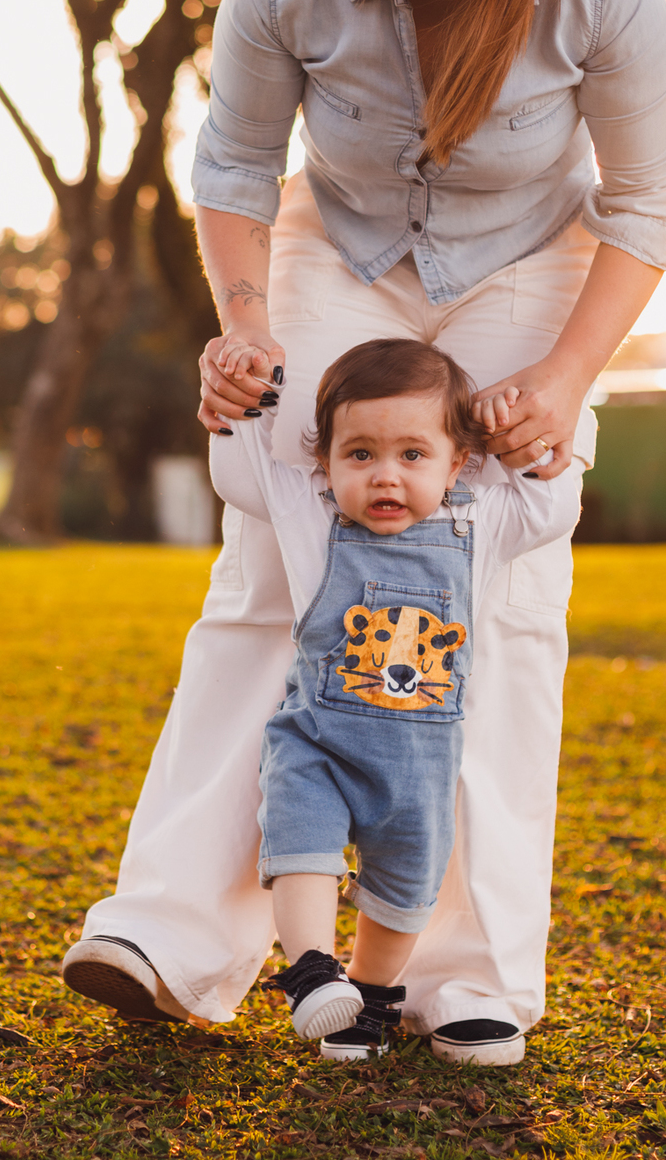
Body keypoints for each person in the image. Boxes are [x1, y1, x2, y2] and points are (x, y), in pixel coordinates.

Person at [63, 0, 666, 1066]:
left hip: (531, 263)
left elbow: (646, 205)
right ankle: (171, 930)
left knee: (493, 584)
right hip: (337, 244)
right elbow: (232, 167)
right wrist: (242, 331)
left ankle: (467, 970)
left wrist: (565, 381)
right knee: (283, 549)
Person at [208, 336, 585, 1061]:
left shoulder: (483, 525)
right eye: (360, 455)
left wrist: (527, 442)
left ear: (458, 463)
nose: (386, 477)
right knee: (301, 846)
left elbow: (552, 509)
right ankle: (313, 970)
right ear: (324, 464)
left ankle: (369, 999)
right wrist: (244, 395)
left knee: (404, 890)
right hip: (317, 743)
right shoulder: (309, 513)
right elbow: (239, 471)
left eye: (413, 456)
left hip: (421, 767)